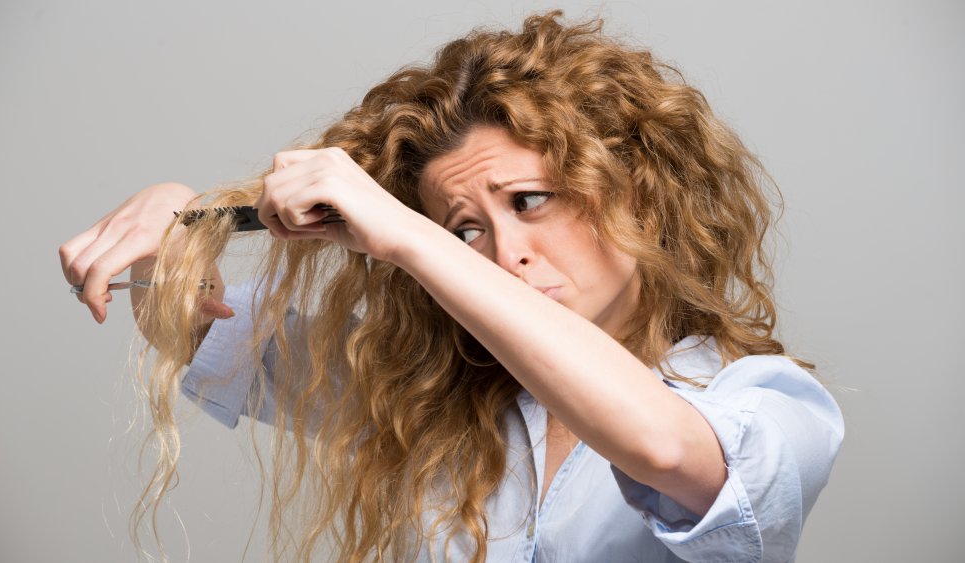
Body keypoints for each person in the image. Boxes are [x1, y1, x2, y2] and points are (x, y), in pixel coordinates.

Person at [59, 11, 843, 563]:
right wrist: (177, 215)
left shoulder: (767, 407)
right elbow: (197, 326)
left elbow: (664, 448)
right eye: (465, 228)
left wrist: (410, 237)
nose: (504, 254)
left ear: (639, 189)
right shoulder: (427, 407)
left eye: (531, 201)